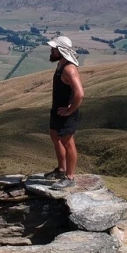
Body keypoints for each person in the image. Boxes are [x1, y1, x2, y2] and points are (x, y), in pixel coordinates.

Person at [45, 35, 84, 186]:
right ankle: (61, 169)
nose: (51, 51)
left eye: (54, 49)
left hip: (66, 113)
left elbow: (79, 93)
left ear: (61, 50)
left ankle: (70, 177)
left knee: (68, 142)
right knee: (55, 136)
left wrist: (69, 110)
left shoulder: (69, 69)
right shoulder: (61, 65)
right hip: (57, 110)